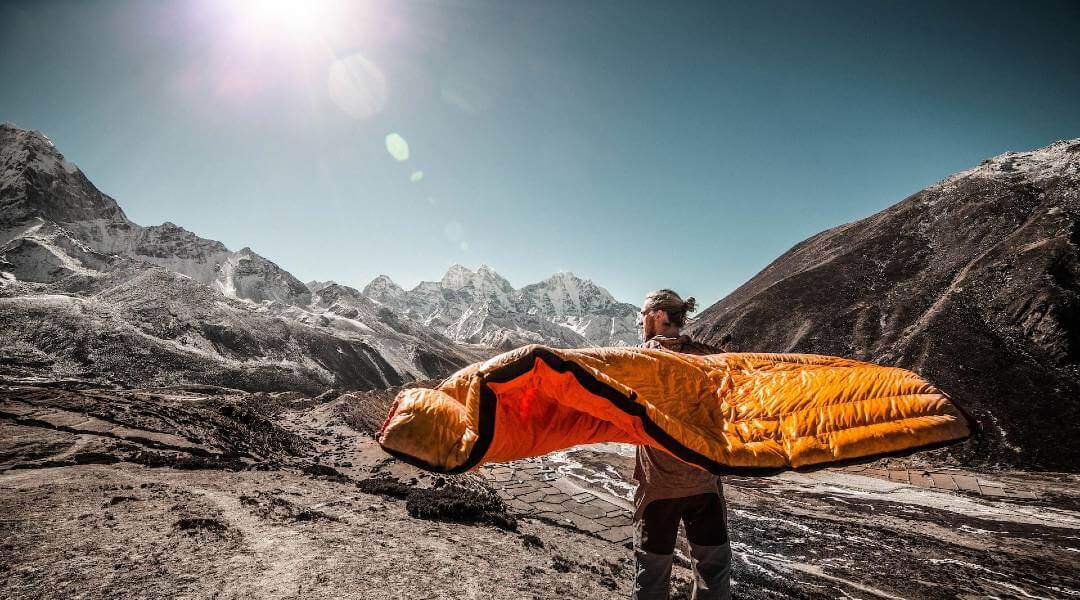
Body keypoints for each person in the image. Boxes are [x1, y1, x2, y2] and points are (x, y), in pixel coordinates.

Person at [632, 289, 731, 600]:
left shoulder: (638, 360)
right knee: (713, 577)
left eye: (643, 313)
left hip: (658, 488)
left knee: (652, 578)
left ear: (659, 316)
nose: (639, 319)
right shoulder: (711, 359)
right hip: (705, 486)